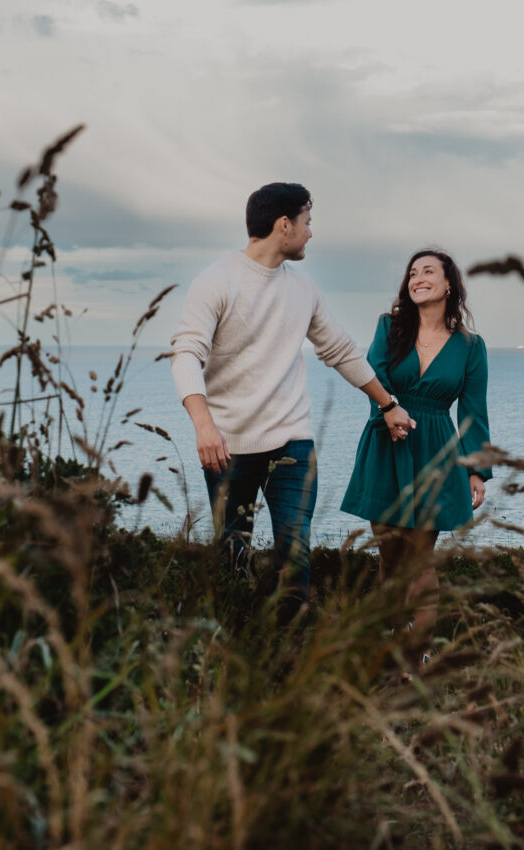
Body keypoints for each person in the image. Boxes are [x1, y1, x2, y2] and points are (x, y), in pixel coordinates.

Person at [170, 182, 415, 622]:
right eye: (307, 222)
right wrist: (203, 425)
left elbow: (339, 349)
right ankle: (237, 647)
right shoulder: (216, 281)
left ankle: (290, 647)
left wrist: (387, 404)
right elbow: (187, 353)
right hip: (227, 447)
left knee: (294, 553)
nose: (310, 233)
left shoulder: (303, 289)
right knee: (232, 554)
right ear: (284, 225)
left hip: (292, 445)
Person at [340, 249, 492, 671]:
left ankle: (419, 656)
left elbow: (473, 411)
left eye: (429, 272)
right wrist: (386, 413)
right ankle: (392, 636)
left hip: (436, 451)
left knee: (420, 558)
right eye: (412, 273)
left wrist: (477, 468)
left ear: (449, 285)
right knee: (390, 553)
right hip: (386, 440)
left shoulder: (471, 346)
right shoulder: (389, 328)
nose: (418, 278)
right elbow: (374, 374)